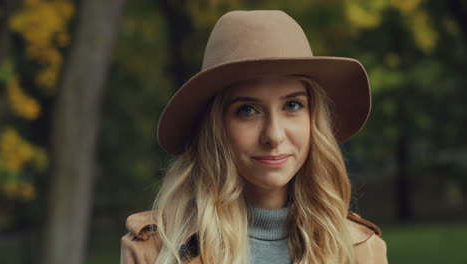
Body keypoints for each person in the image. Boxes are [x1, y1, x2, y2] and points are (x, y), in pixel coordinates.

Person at [120, 10, 388, 264]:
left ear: (313, 119)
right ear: (216, 127)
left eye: (292, 106)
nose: (273, 135)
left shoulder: (362, 250)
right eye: (247, 110)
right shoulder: (155, 251)